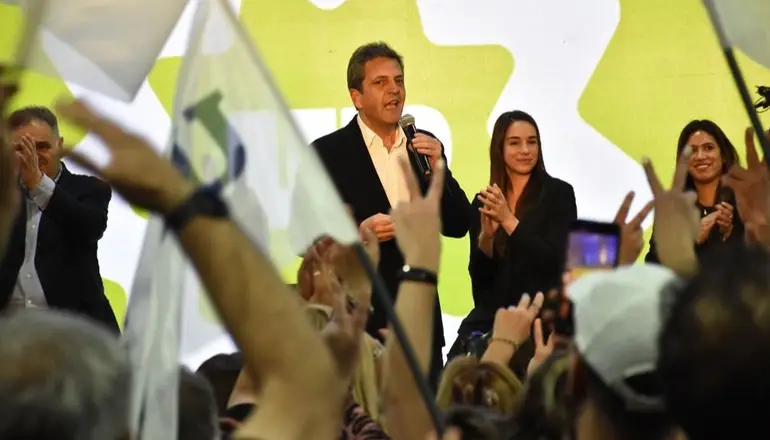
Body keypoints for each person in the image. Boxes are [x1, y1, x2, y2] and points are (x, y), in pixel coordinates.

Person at [311, 42, 471, 387]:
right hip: (358, 322)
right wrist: (355, 234)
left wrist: (439, 168)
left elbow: (459, 224)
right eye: (380, 82)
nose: (394, 90)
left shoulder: (422, 145)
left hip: (421, 321)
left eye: (398, 81)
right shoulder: (326, 153)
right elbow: (303, 238)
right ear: (356, 97)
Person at [448, 110, 576, 360]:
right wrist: (486, 240)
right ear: (500, 148)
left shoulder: (559, 194)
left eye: (532, 142)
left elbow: (555, 262)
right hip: (491, 318)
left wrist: (509, 222)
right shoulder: (484, 201)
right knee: (457, 370)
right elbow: (480, 287)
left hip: (538, 318)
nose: (525, 150)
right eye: (515, 143)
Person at [0, 106, 117, 332]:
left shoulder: (89, 188)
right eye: (21, 148)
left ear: (60, 146)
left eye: (41, 147)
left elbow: (90, 227)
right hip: (10, 329)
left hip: (73, 331)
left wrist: (38, 185)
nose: (32, 156)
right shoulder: (4, 196)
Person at [646, 119, 743, 263]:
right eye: (692, 150)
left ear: (723, 155)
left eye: (708, 148)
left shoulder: (745, 202)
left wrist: (730, 235)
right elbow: (653, 267)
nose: (700, 156)